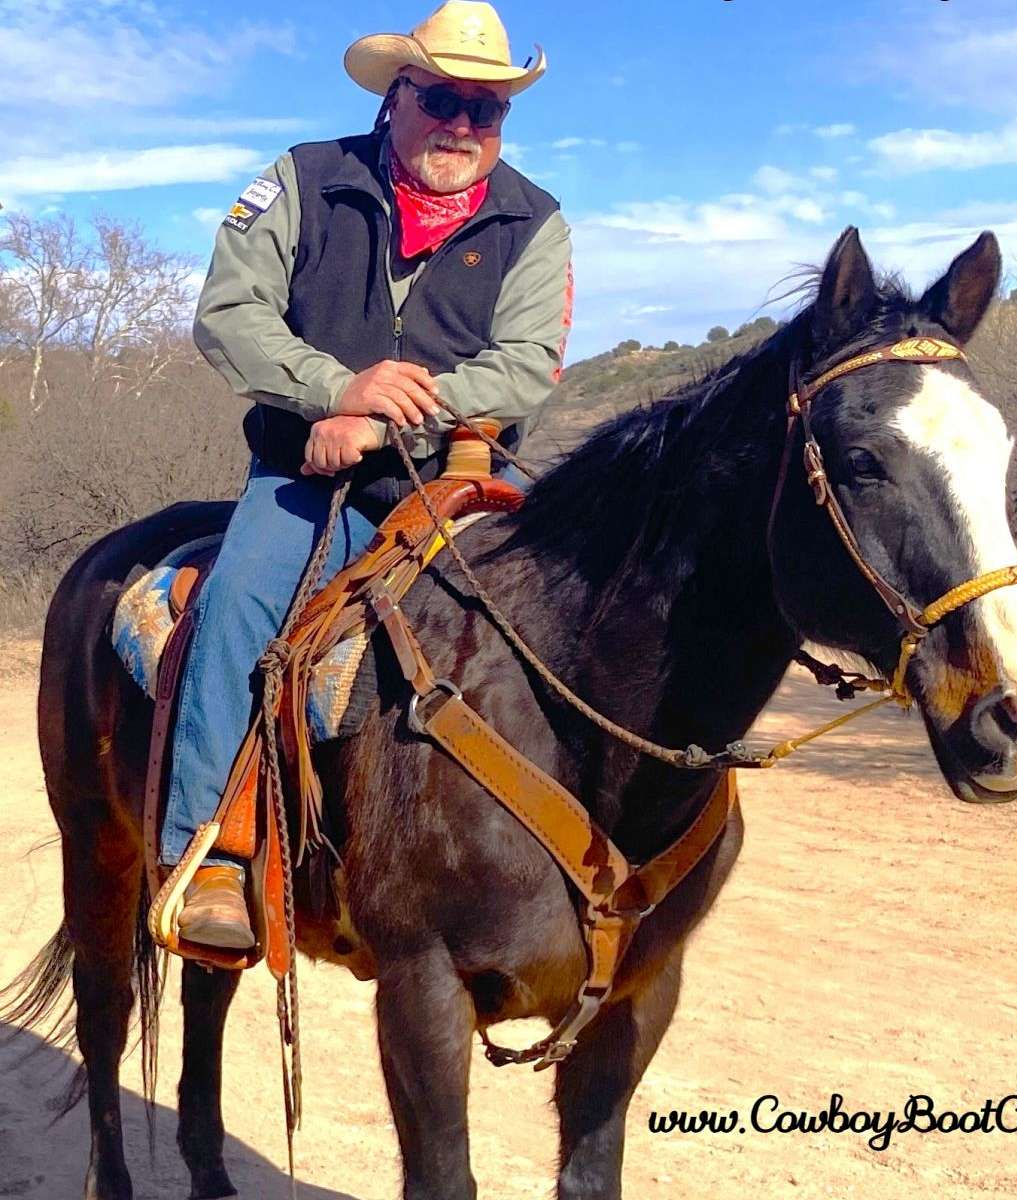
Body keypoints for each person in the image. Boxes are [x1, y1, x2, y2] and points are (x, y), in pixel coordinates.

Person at [163, 0, 573, 949]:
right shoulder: (301, 182)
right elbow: (230, 314)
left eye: (488, 110)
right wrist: (334, 389)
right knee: (238, 610)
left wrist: (377, 423)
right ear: (398, 96)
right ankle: (211, 858)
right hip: (301, 479)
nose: (464, 127)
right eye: (442, 99)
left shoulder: (536, 222)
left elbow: (522, 368)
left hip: (452, 479)